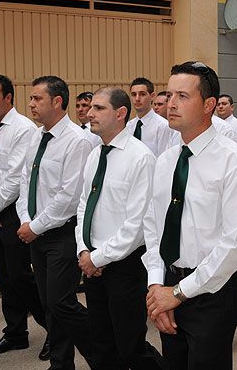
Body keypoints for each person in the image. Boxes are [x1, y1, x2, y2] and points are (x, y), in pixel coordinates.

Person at [143, 61, 237, 370]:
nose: (170, 104)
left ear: (209, 104)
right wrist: (157, 286)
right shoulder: (167, 160)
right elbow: (154, 226)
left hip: (212, 291)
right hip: (169, 284)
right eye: (169, 95)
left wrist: (180, 293)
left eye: (182, 96)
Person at [75, 87, 166, 370]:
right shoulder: (94, 156)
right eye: (91, 108)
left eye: (99, 108)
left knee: (131, 347)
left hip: (124, 267)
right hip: (92, 263)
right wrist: (83, 251)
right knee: (101, 343)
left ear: (120, 113)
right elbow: (82, 207)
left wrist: (97, 258)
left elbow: (137, 225)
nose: (90, 113)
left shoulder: (141, 158)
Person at [15, 76, 94, 369]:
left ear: (57, 101)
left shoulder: (77, 140)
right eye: (32, 98)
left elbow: (70, 196)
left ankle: (103, 350)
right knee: (50, 304)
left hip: (62, 233)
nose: (31, 104)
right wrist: (26, 220)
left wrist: (35, 227)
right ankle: (61, 364)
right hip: (36, 232)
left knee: (62, 302)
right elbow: (26, 181)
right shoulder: (36, 136)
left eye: (37, 99)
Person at [0, 74, 48, 358]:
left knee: (21, 277)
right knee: (4, 278)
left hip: (13, 212)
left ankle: (54, 329)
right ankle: (16, 332)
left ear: (8, 98)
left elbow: (17, 179)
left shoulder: (23, 129)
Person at [127, 77, 178, 156]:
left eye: (142, 94)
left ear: (152, 96)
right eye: (134, 95)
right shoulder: (128, 126)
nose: (137, 99)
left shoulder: (162, 126)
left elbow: (164, 157)